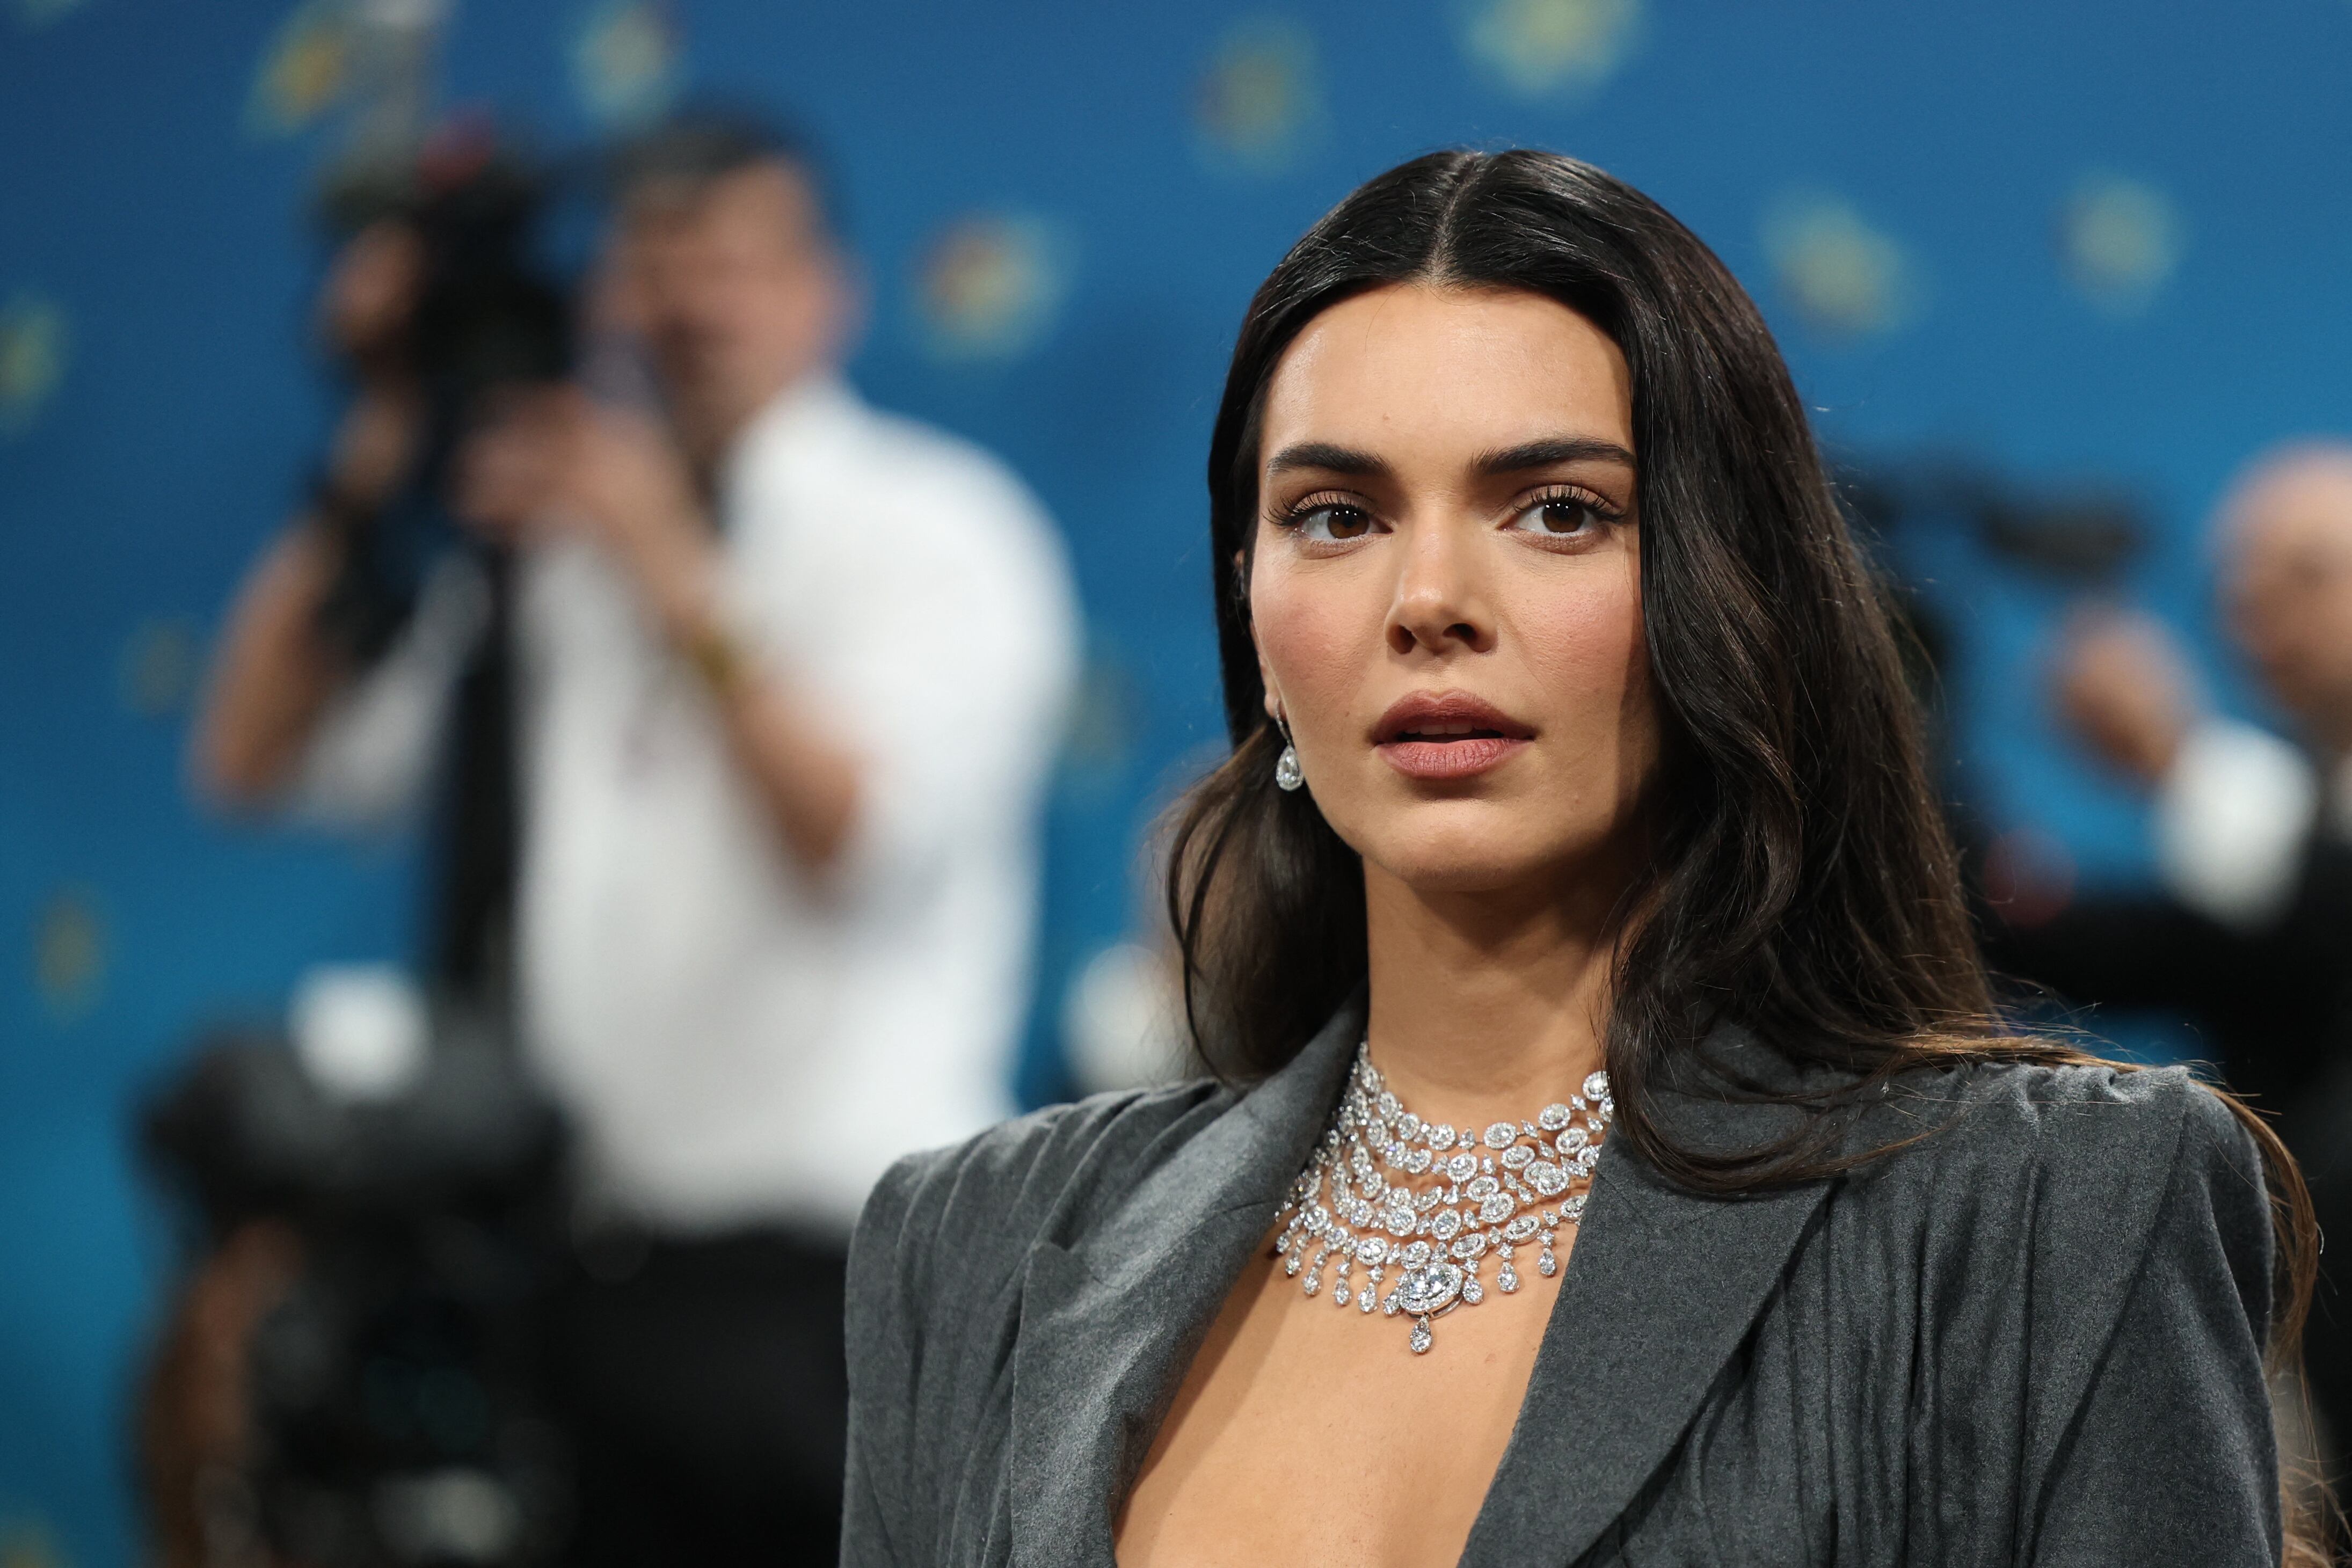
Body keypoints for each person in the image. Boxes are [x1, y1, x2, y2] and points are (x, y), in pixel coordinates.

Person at [838, 150, 2319, 1567]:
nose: (1427, 599)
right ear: (1253, 612)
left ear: (1721, 593)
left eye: (1557, 511)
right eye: (1334, 516)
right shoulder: (972, 1249)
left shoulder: (2052, 1216)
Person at [194, 113, 1079, 1563]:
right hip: (585, 1287)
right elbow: (253, 758)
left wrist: (668, 566)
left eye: (730, 263)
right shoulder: (546, 559)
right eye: (653, 265)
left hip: (849, 1292)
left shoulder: (935, 528)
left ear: (825, 294)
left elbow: (847, 835)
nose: (689, 308)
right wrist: (384, 435)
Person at [1985, 443, 2352, 1452]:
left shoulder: (2276, 829)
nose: (2255, 613)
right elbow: (2159, 950)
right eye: (2235, 589)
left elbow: (2323, 913)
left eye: (2304, 573)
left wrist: (2176, 756)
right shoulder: (2286, 815)